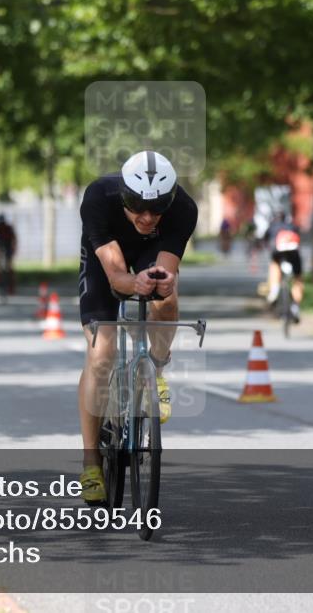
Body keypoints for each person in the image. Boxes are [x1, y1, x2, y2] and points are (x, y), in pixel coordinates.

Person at [76, 150, 198, 505]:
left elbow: (166, 270)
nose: (146, 217)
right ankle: (91, 462)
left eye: (156, 209)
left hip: (151, 253)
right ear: (124, 195)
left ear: (169, 201)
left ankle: (155, 372)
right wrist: (133, 282)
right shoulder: (99, 198)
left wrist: (159, 282)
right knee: (101, 354)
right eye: (137, 207)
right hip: (105, 258)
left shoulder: (183, 209)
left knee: (167, 298)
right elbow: (116, 277)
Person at [264, 209, 304, 321]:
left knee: (274, 265)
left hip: (277, 252)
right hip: (293, 253)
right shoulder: (292, 226)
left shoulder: (272, 227)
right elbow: (299, 237)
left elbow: (265, 241)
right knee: (297, 278)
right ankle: (296, 305)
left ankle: (274, 290)